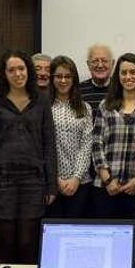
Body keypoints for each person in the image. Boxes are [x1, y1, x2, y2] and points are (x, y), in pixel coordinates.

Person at [0, 50, 57, 264]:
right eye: (12, 70)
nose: (18, 74)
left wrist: (51, 184)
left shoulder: (41, 101)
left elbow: (48, 143)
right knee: (5, 242)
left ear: (28, 71)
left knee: (28, 243)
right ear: (4, 74)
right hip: (1, 179)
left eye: (21, 68)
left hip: (33, 181)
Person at [92, 53, 135, 228]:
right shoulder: (106, 105)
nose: (128, 77)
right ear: (117, 76)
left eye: (133, 72)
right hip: (105, 188)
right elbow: (96, 144)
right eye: (123, 73)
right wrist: (108, 180)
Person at [48, 55, 94, 218]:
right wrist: (56, 179)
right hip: (52, 183)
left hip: (80, 182)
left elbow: (86, 144)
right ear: (52, 78)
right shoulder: (44, 108)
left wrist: (76, 178)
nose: (63, 80)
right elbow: (42, 147)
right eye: (58, 76)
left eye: (67, 76)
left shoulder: (84, 108)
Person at [79, 44, 113, 116]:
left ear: (112, 63)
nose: (100, 65)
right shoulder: (78, 90)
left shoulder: (120, 88)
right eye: (95, 61)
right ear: (88, 64)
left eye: (104, 61)